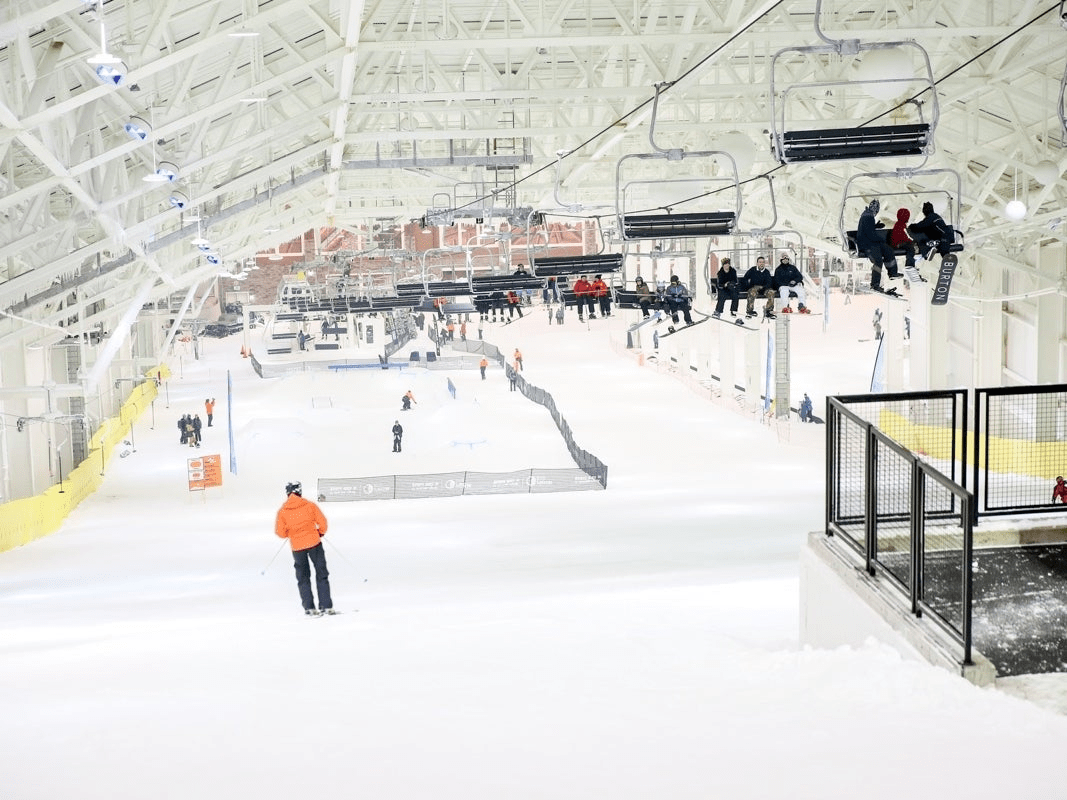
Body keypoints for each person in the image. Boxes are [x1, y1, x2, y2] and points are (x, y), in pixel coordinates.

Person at [275, 481, 334, 616]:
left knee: (303, 577)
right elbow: (322, 522)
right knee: (321, 573)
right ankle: (326, 605)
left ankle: (309, 607)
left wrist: (291, 534)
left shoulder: (283, 511)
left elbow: (280, 532)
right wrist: (320, 532)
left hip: (297, 547)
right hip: (314, 543)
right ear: (299, 491)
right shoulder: (310, 506)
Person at [856, 199, 900, 293]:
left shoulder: (868, 216)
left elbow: (867, 229)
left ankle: (892, 273)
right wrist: (880, 239)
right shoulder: (868, 217)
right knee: (878, 261)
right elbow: (870, 233)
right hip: (867, 244)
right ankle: (874, 285)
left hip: (871, 243)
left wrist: (876, 226)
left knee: (888, 250)